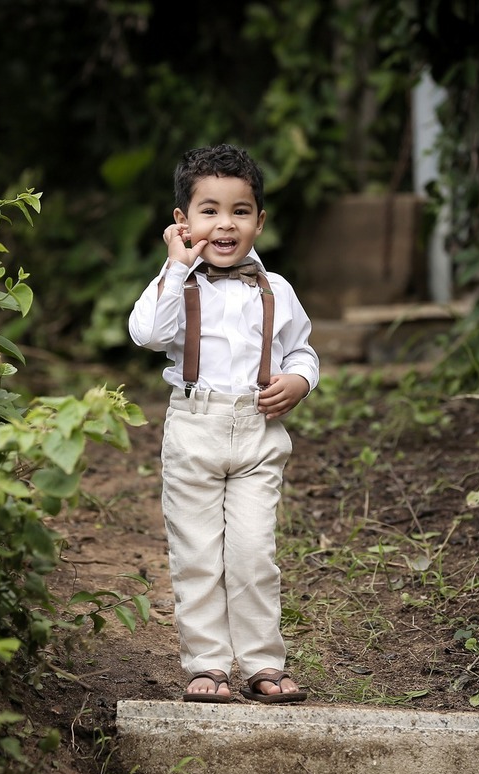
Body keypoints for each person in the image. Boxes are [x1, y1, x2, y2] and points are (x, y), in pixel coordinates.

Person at [128, 144, 319, 704]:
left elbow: (301, 349)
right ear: (183, 222)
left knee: (253, 554)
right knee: (197, 556)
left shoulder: (276, 289)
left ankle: (262, 662)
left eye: (240, 211)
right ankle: (207, 665)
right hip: (194, 429)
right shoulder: (175, 284)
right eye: (209, 211)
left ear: (260, 221)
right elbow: (147, 334)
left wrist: (300, 380)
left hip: (258, 434)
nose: (226, 224)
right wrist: (175, 265)